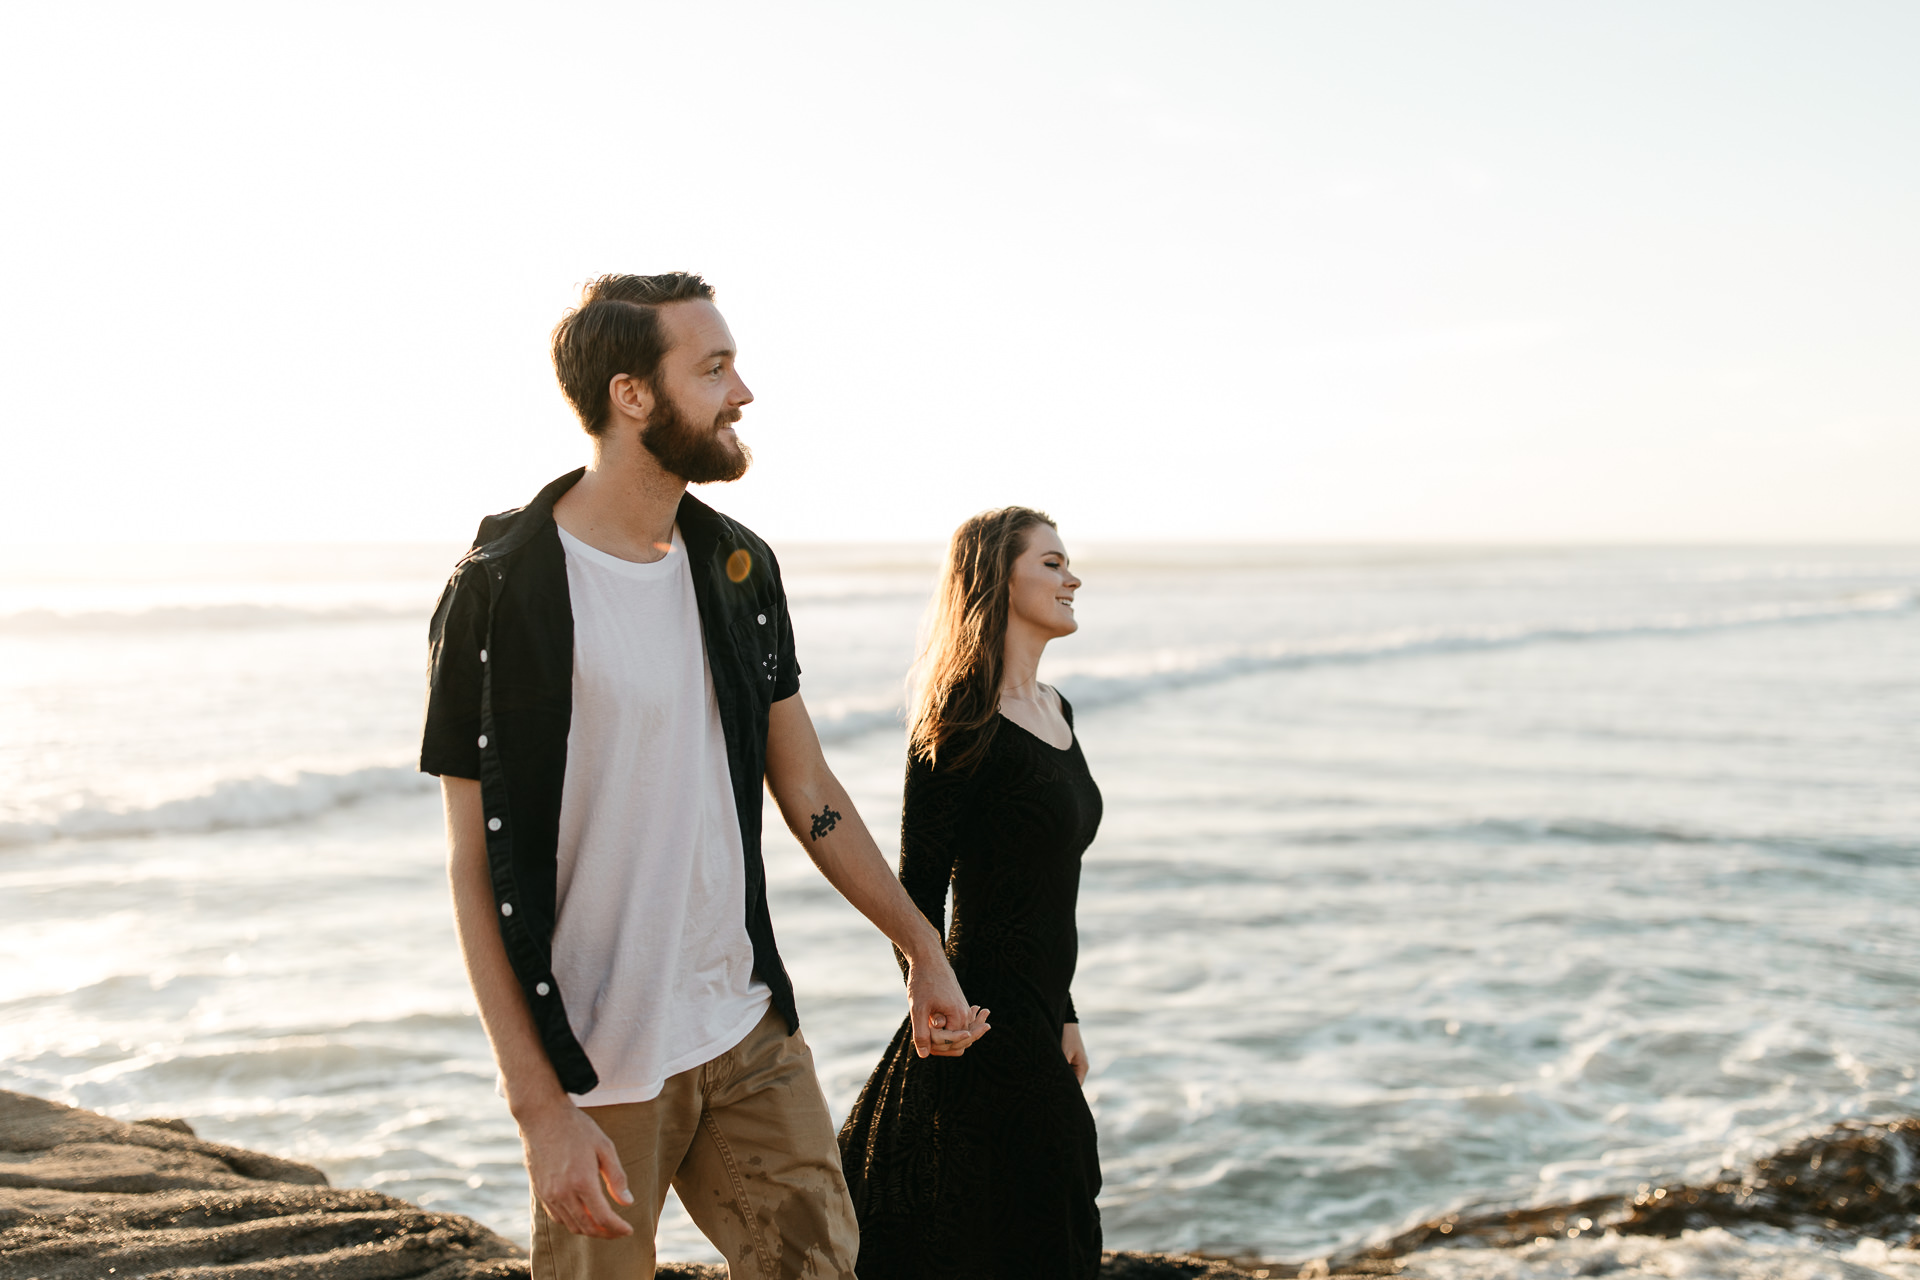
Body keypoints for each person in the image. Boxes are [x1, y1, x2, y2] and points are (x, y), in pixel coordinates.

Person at [420, 272, 988, 1280]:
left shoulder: (740, 570)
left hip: (743, 1024)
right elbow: (472, 866)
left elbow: (809, 787)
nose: (743, 393)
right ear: (633, 394)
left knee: (821, 1263)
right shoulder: (501, 591)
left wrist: (920, 947)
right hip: (596, 1058)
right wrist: (540, 1106)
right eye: (714, 367)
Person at [837, 507, 1103, 1279]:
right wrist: (935, 1004)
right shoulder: (960, 720)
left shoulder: (1059, 711)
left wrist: (1066, 1012)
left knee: (1049, 1221)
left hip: (1038, 1017)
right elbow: (913, 889)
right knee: (1007, 1232)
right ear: (998, 576)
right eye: (1052, 563)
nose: (1071, 577)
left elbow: (1052, 887)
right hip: (980, 1025)